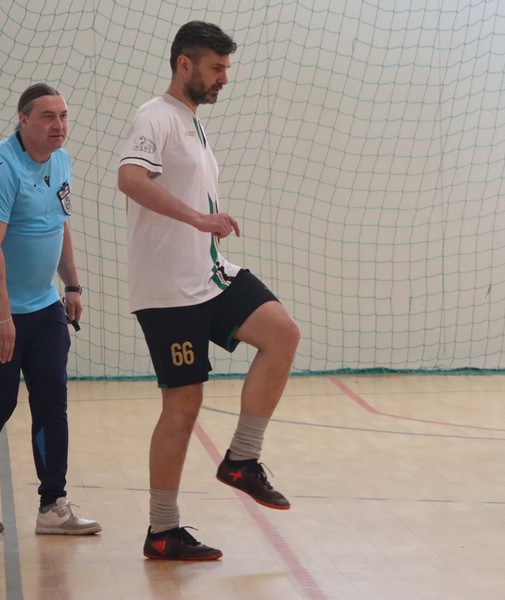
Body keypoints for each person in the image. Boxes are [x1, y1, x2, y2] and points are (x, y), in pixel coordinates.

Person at [117, 21, 300, 561]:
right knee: (183, 406)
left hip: (210, 276)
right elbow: (130, 178)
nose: (224, 78)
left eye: (226, 68)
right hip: (169, 291)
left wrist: (205, 225)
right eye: (216, 68)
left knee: (283, 334)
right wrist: (199, 218)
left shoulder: (190, 122)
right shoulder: (155, 117)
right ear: (184, 65)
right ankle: (162, 531)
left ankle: (241, 459)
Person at [0, 83, 101, 535]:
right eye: (48, 116)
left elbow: (59, 225)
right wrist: (2, 316)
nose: (59, 125)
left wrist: (72, 285)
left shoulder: (60, 160)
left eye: (63, 116)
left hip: (45, 304)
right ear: (23, 119)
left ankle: (53, 506)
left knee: (52, 400)